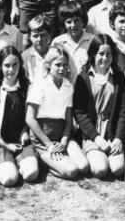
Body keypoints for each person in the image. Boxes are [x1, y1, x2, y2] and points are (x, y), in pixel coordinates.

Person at [72, 34, 125, 179]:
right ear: (93, 54)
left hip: (112, 133)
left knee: (118, 169)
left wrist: (118, 138)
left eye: (109, 54)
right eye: (101, 54)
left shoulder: (119, 77)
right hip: (93, 135)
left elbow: (124, 111)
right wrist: (96, 138)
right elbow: (80, 113)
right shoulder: (83, 78)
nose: (105, 58)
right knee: (100, 170)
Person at [25, 46, 87, 180]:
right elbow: (30, 119)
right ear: (48, 65)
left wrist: (64, 141)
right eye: (57, 65)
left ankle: (57, 159)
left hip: (61, 135)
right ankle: (44, 160)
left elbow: (69, 119)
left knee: (84, 167)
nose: (62, 69)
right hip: (43, 137)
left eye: (65, 65)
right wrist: (49, 145)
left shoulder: (68, 86)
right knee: (71, 171)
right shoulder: (39, 85)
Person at [0, 46, 40, 186]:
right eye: (7, 65)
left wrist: (25, 131)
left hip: (20, 142)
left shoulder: (27, 87)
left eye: (15, 65)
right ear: (0, 67)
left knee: (31, 174)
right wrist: (5, 145)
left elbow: (31, 117)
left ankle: (18, 162)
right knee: (10, 179)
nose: (11, 70)